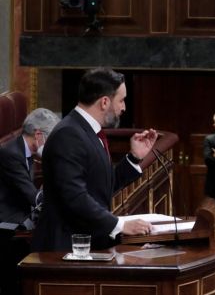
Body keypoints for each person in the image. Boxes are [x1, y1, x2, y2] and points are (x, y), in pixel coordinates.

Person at [32, 68, 158, 252]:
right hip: (64, 249)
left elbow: (98, 187)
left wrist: (134, 157)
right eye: (121, 100)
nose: (124, 108)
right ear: (104, 102)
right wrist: (119, 225)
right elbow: (74, 196)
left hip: (85, 243)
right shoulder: (68, 134)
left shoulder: (87, 131)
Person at [0, 108, 58, 230]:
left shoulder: (26, 151)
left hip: (23, 210)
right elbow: (34, 197)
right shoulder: (11, 154)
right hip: (9, 220)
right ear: (38, 135)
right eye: (51, 140)